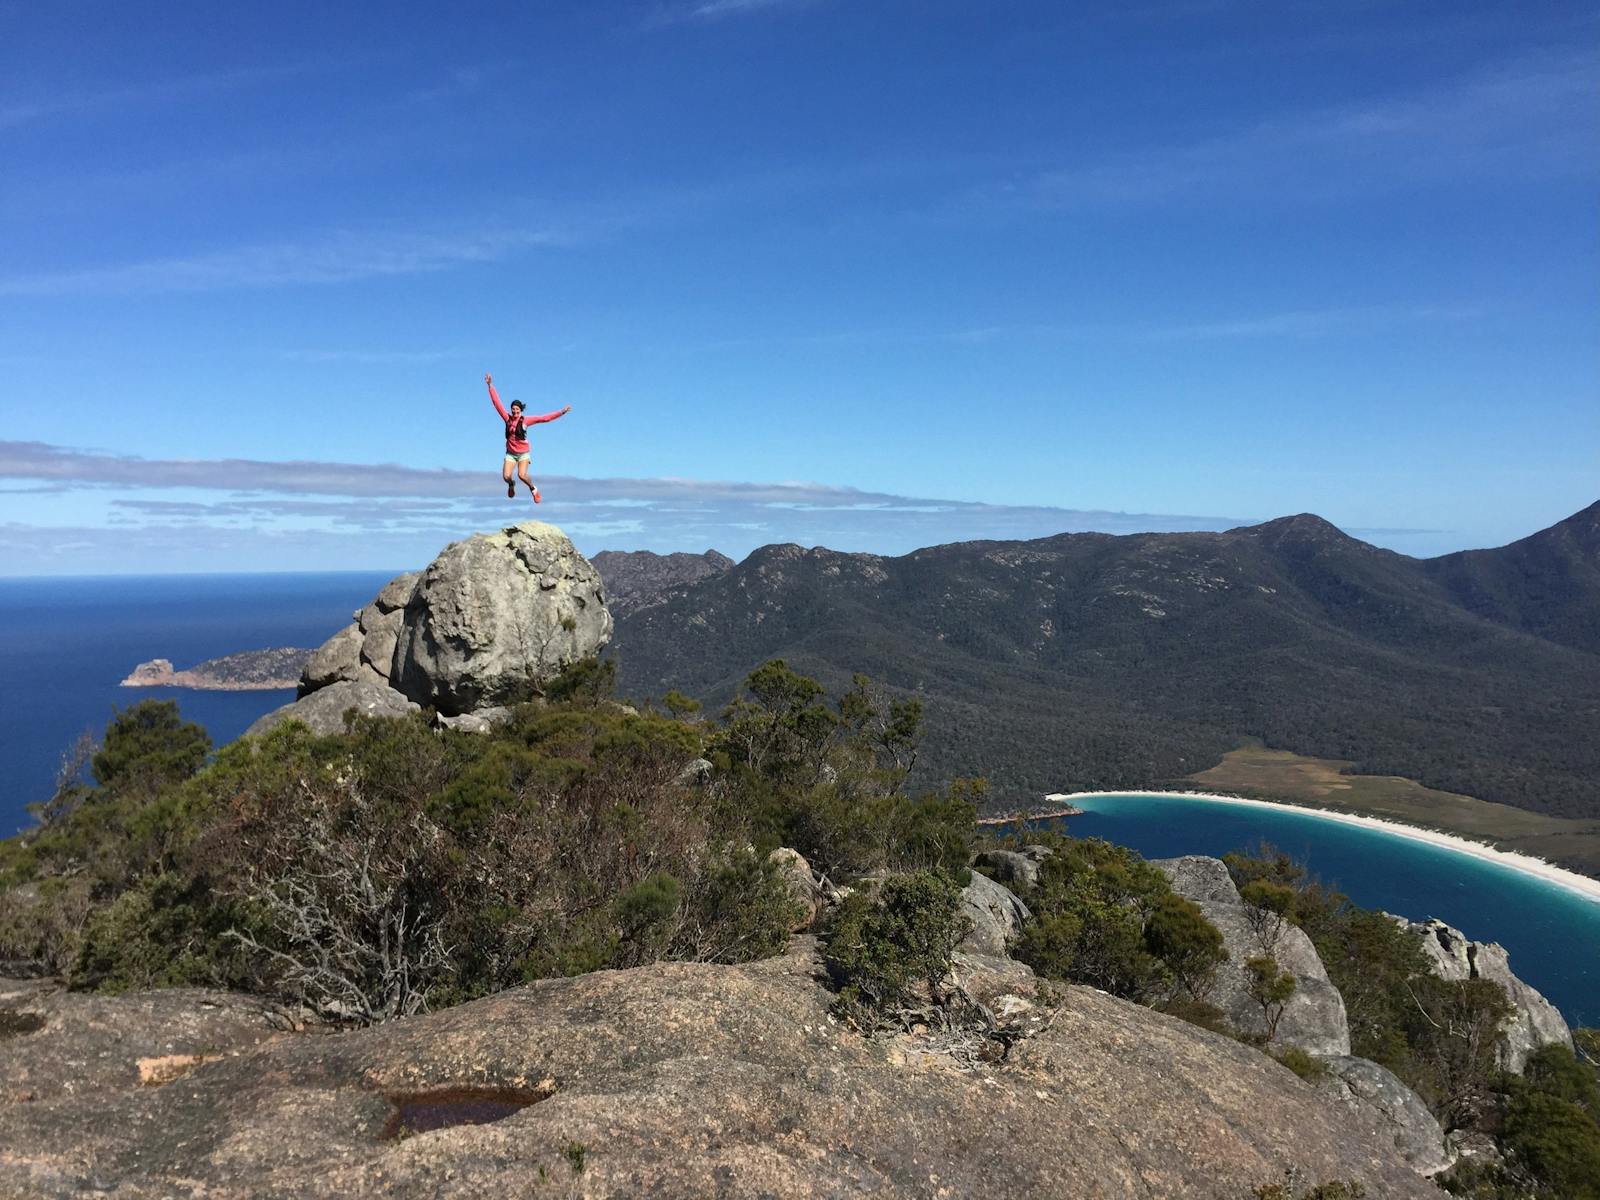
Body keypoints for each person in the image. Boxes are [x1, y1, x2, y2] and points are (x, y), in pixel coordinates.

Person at [485, 372, 570, 503]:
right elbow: (497, 403)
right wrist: (490, 385)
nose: (514, 411)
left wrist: (561, 412)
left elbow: (544, 418)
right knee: (506, 476)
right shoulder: (507, 419)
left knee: (522, 475)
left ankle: (533, 488)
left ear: (521, 410)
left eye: (517, 409)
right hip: (511, 454)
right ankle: (511, 484)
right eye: (513, 409)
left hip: (523, 453)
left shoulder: (526, 420)